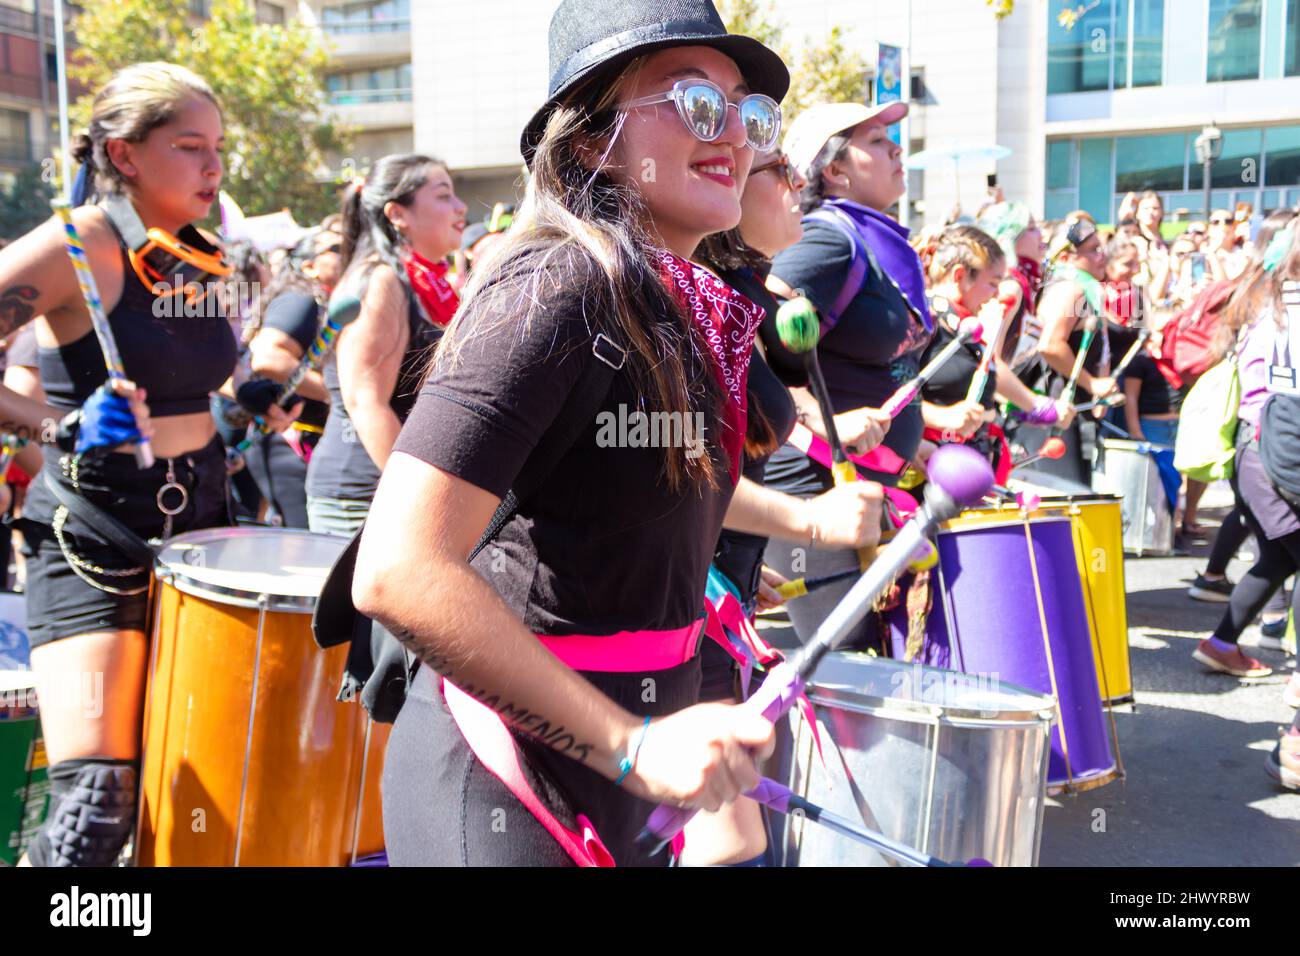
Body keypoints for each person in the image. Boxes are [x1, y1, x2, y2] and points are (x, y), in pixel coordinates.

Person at [353, 0, 802, 866]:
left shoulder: (674, 298)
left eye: (747, 112)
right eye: (694, 103)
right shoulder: (557, 283)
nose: (737, 139)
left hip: (625, 757)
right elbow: (398, 569)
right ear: (593, 140)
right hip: (507, 780)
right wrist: (631, 744)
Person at [0, 63, 289, 867]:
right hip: (92, 534)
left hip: (201, 523)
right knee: (97, 806)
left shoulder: (194, 254)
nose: (214, 168)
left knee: (191, 775)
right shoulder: (78, 241)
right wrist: (60, 425)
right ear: (124, 155)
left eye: (219, 148)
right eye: (190, 147)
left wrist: (250, 396)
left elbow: (191, 378)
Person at [687, 147, 885, 865]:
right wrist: (810, 521)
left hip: (710, 586)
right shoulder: (690, 297)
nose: (800, 183)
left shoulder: (736, 297)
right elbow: (669, 476)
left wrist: (735, 559)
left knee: (730, 832)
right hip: (671, 608)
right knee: (730, 840)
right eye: (778, 168)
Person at [757, 100, 966, 648]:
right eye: (876, 141)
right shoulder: (827, 240)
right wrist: (824, 421)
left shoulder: (879, 242)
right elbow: (749, 344)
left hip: (872, 478)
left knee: (876, 655)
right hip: (810, 481)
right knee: (842, 666)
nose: (897, 149)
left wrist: (912, 437)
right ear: (835, 170)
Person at [305, 154, 466, 536]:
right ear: (397, 214)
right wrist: (420, 503)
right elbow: (366, 403)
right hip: (364, 494)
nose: (460, 207)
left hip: (393, 486)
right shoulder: (380, 279)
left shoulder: (422, 281)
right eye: (443, 196)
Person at [1191, 224, 1300, 679]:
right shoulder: (1286, 305)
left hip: (1255, 449)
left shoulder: (1271, 298)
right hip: (1274, 449)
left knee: (1278, 557)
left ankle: (1221, 644)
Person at [236, 224, 343, 528]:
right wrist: (336, 395)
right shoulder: (301, 299)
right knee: (306, 549)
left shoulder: (319, 300)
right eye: (335, 249)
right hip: (290, 444)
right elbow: (269, 358)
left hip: (299, 442)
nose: (347, 254)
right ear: (309, 266)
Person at [1019, 218, 1117, 486]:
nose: (1102, 255)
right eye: (1093, 250)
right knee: (1062, 495)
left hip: (1070, 406)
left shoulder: (1081, 286)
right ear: (1067, 256)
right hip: (1057, 401)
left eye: (1101, 248)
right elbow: (1050, 345)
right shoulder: (1071, 288)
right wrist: (1092, 383)